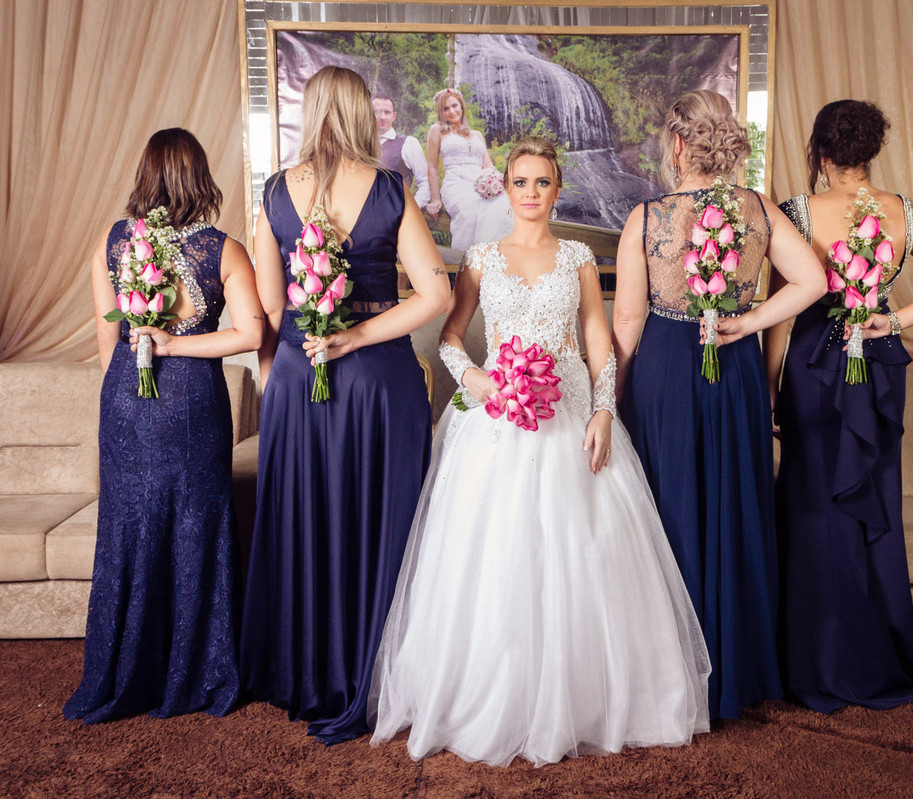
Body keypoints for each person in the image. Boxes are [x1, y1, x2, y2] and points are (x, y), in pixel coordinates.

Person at [369, 136, 710, 767]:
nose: (531, 193)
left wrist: (605, 408)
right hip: (495, 418)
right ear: (507, 187)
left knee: (580, 547)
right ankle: (492, 694)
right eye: (520, 182)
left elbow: (597, 337)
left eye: (542, 182)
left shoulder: (579, 256)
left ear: (558, 189)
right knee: (495, 552)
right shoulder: (480, 258)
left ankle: (584, 698)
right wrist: (476, 380)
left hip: (570, 409)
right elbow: (449, 338)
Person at [238, 66, 451, 745]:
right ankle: (377, 670)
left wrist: (279, 384)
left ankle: (306, 669)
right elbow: (434, 295)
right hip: (377, 380)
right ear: (363, 114)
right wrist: (359, 332)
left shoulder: (275, 192)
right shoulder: (391, 189)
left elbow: (271, 313)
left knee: (308, 518)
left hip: (302, 379)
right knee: (380, 519)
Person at [612, 90, 826, 721]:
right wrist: (753, 317)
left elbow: (627, 322)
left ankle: (671, 676)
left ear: (676, 144)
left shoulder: (646, 217)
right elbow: (813, 282)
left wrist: (609, 399)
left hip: (665, 372)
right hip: (734, 366)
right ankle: (738, 672)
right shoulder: (758, 209)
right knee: (735, 505)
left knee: (668, 507)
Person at [767, 99, 913, 713]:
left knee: (809, 505)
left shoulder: (800, 213)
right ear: (869, 152)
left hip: (813, 366)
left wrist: (770, 387)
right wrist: (894, 321)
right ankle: (875, 662)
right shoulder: (902, 213)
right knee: (873, 503)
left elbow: (784, 314)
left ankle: (811, 665)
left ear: (822, 154)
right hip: (879, 369)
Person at [65, 128, 264, 723]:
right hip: (194, 400)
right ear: (199, 176)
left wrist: (129, 388)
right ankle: (194, 674)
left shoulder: (112, 240)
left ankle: (123, 673)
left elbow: (109, 337)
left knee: (128, 530)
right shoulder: (222, 249)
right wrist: (177, 348)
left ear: (145, 175)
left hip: (126, 396)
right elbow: (253, 336)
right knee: (195, 526)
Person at [424, 87, 514, 253]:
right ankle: (467, 263)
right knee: (470, 212)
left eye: (454, 106)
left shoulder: (477, 135)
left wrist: (503, 183)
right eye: (446, 108)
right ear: (441, 112)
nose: (451, 111)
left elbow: (488, 167)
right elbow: (432, 167)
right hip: (456, 184)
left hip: (480, 184)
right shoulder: (438, 131)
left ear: (462, 106)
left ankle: (493, 258)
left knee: (502, 206)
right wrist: (435, 198)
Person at [372, 92, 431, 208]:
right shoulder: (360, 144)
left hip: (395, 215)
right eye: (377, 112)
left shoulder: (409, 143)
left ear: (394, 116)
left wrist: (409, 210)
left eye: (387, 112)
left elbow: (425, 183)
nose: (382, 117)